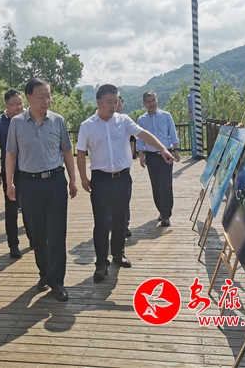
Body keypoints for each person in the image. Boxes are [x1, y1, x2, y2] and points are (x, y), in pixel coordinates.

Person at [77, 85, 175, 282]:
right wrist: (83, 178)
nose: (114, 105)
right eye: (110, 102)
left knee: (120, 219)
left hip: (122, 178)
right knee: (101, 222)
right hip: (100, 179)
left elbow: (144, 134)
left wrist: (163, 148)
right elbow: (80, 152)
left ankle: (118, 253)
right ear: (99, 102)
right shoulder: (87, 125)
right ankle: (101, 263)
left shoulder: (124, 121)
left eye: (116, 101)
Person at [5, 78, 78, 301]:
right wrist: (9, 182)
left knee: (57, 232)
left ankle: (57, 280)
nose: (47, 100)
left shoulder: (58, 121)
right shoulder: (17, 123)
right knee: (37, 233)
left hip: (55, 181)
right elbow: (11, 154)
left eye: (49, 96)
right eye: (41, 97)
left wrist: (73, 179)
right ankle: (44, 273)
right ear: (29, 98)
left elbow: (67, 151)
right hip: (29, 183)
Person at [0, 89, 33, 259]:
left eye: (20, 103)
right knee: (12, 210)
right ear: (6, 105)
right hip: (10, 172)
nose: (18, 107)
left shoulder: (28, 118)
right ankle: (13, 244)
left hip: (30, 171)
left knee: (30, 208)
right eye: (14, 104)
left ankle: (33, 239)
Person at [136, 90, 181, 227]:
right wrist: (141, 155)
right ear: (144, 103)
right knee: (156, 185)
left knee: (165, 185)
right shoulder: (141, 120)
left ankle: (166, 215)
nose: (151, 104)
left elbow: (172, 133)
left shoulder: (166, 116)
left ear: (157, 100)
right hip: (151, 156)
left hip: (166, 154)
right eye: (148, 101)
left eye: (153, 100)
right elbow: (140, 139)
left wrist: (176, 150)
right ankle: (161, 210)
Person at [116, 96, 135, 237]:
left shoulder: (126, 121)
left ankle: (124, 225)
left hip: (123, 167)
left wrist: (129, 161)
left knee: (124, 198)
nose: (117, 106)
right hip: (107, 169)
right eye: (114, 103)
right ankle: (112, 222)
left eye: (119, 104)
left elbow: (133, 141)